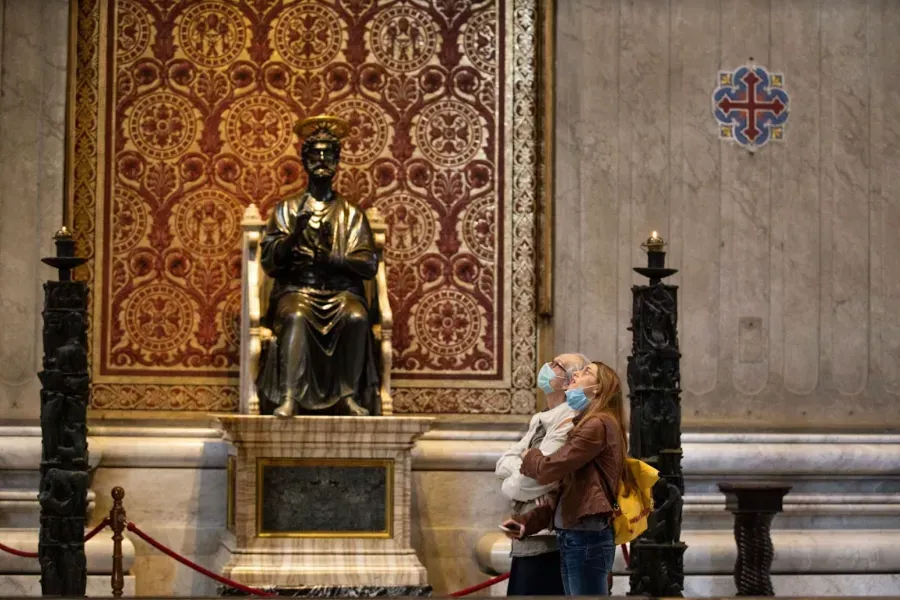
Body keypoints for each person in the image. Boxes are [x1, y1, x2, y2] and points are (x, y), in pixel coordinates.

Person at [257, 115, 380, 417]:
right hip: (298, 291)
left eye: (329, 154)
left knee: (355, 317)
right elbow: (270, 262)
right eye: (316, 154)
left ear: (338, 161)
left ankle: (349, 395)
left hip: (341, 294)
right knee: (297, 316)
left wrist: (332, 259)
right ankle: (289, 396)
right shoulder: (286, 209)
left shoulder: (352, 214)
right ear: (305, 160)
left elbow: (368, 264)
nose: (322, 160)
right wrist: (293, 237)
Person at [502, 361, 637, 596]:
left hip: (586, 537)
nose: (576, 374)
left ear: (597, 389)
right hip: (577, 535)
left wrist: (529, 454)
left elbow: (550, 468)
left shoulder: (597, 424)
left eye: (586, 372)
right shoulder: (588, 423)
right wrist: (528, 522)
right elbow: (568, 488)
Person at [495, 353, 590, 596]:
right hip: (529, 533)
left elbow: (536, 477)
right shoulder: (541, 418)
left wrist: (519, 471)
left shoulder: (570, 420)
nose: (546, 366)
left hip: (551, 544)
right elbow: (502, 463)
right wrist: (521, 467)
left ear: (569, 381)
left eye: (556, 365)